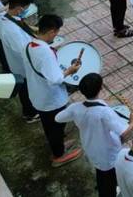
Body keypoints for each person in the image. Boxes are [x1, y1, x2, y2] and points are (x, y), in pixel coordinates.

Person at [56, 73, 133, 197]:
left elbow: (58, 118)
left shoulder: (75, 108)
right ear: (101, 88)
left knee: (101, 172)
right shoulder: (104, 112)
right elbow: (124, 131)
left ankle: (102, 186)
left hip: (90, 147)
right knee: (108, 177)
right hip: (107, 152)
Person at [22, 14, 83, 166]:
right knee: (55, 126)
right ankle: (58, 154)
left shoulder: (30, 45)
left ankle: (59, 146)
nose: (56, 35)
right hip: (51, 99)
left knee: (50, 124)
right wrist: (70, 70)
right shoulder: (46, 54)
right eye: (56, 32)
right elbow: (55, 79)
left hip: (38, 94)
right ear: (51, 32)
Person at [0, 0, 39, 122]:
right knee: (25, 89)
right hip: (22, 66)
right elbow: (24, 51)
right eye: (26, 8)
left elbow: (20, 24)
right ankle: (29, 113)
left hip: (17, 63)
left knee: (26, 88)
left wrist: (32, 30)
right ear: (19, 8)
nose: (26, 11)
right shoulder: (12, 31)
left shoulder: (7, 17)